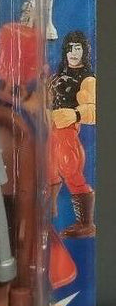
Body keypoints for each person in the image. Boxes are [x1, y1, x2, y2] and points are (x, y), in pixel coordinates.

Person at [49, 31, 96, 237]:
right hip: (49, 128)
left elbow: (94, 109)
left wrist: (75, 114)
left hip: (66, 131)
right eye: (70, 48)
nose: (73, 53)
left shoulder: (87, 79)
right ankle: (49, 210)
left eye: (78, 48)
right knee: (47, 167)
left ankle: (85, 223)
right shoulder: (58, 75)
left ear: (84, 51)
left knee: (70, 169)